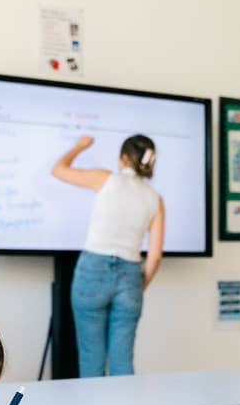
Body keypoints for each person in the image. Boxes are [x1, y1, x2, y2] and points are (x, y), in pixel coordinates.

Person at [52, 134, 165, 377]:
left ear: (123, 159)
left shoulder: (105, 179)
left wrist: (79, 146)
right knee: (122, 362)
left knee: (91, 359)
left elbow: (59, 170)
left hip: (92, 271)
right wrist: (138, 285)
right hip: (130, 276)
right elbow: (154, 257)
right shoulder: (155, 199)